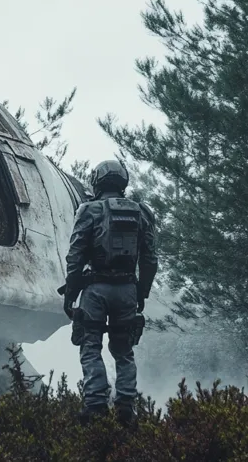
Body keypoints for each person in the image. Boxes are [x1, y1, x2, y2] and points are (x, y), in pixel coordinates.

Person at [61, 159, 158, 426]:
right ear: (122, 182)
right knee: (124, 350)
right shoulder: (142, 213)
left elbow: (75, 255)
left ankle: (95, 406)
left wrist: (70, 293)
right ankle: (126, 406)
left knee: (90, 345)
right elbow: (150, 260)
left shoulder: (89, 210)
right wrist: (141, 293)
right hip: (127, 289)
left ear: (98, 182)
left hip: (95, 290)